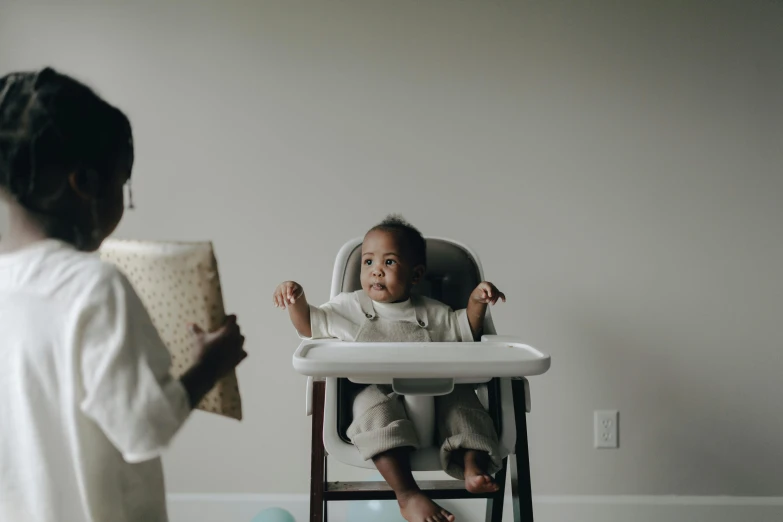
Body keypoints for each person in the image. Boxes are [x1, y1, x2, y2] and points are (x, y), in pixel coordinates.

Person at [0, 67, 248, 522]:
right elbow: (145, 429)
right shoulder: (94, 287)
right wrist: (210, 364)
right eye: (123, 184)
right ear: (86, 184)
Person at [273, 215, 505, 522]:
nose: (376, 270)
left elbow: (467, 331)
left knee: (465, 408)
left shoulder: (433, 312)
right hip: (377, 391)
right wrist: (296, 299)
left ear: (416, 274)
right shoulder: (349, 307)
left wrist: (477, 302)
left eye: (390, 262)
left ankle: (473, 465)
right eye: (368, 262)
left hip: (439, 393)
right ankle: (407, 494)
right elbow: (310, 325)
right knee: (372, 412)